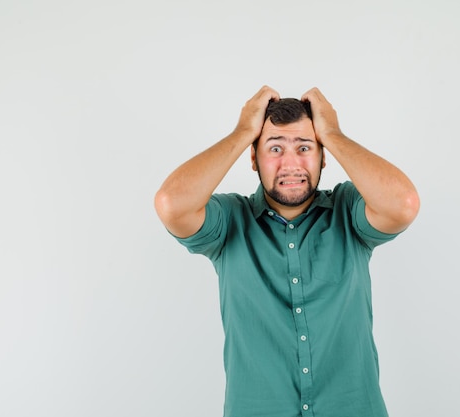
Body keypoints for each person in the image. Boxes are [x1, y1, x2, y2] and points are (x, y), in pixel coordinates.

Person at [154, 85, 420, 417]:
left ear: (323, 156)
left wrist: (333, 135)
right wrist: (241, 133)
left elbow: (403, 204)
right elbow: (170, 204)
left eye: (305, 147)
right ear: (254, 158)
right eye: (275, 148)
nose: (290, 163)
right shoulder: (229, 220)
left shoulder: (349, 210)